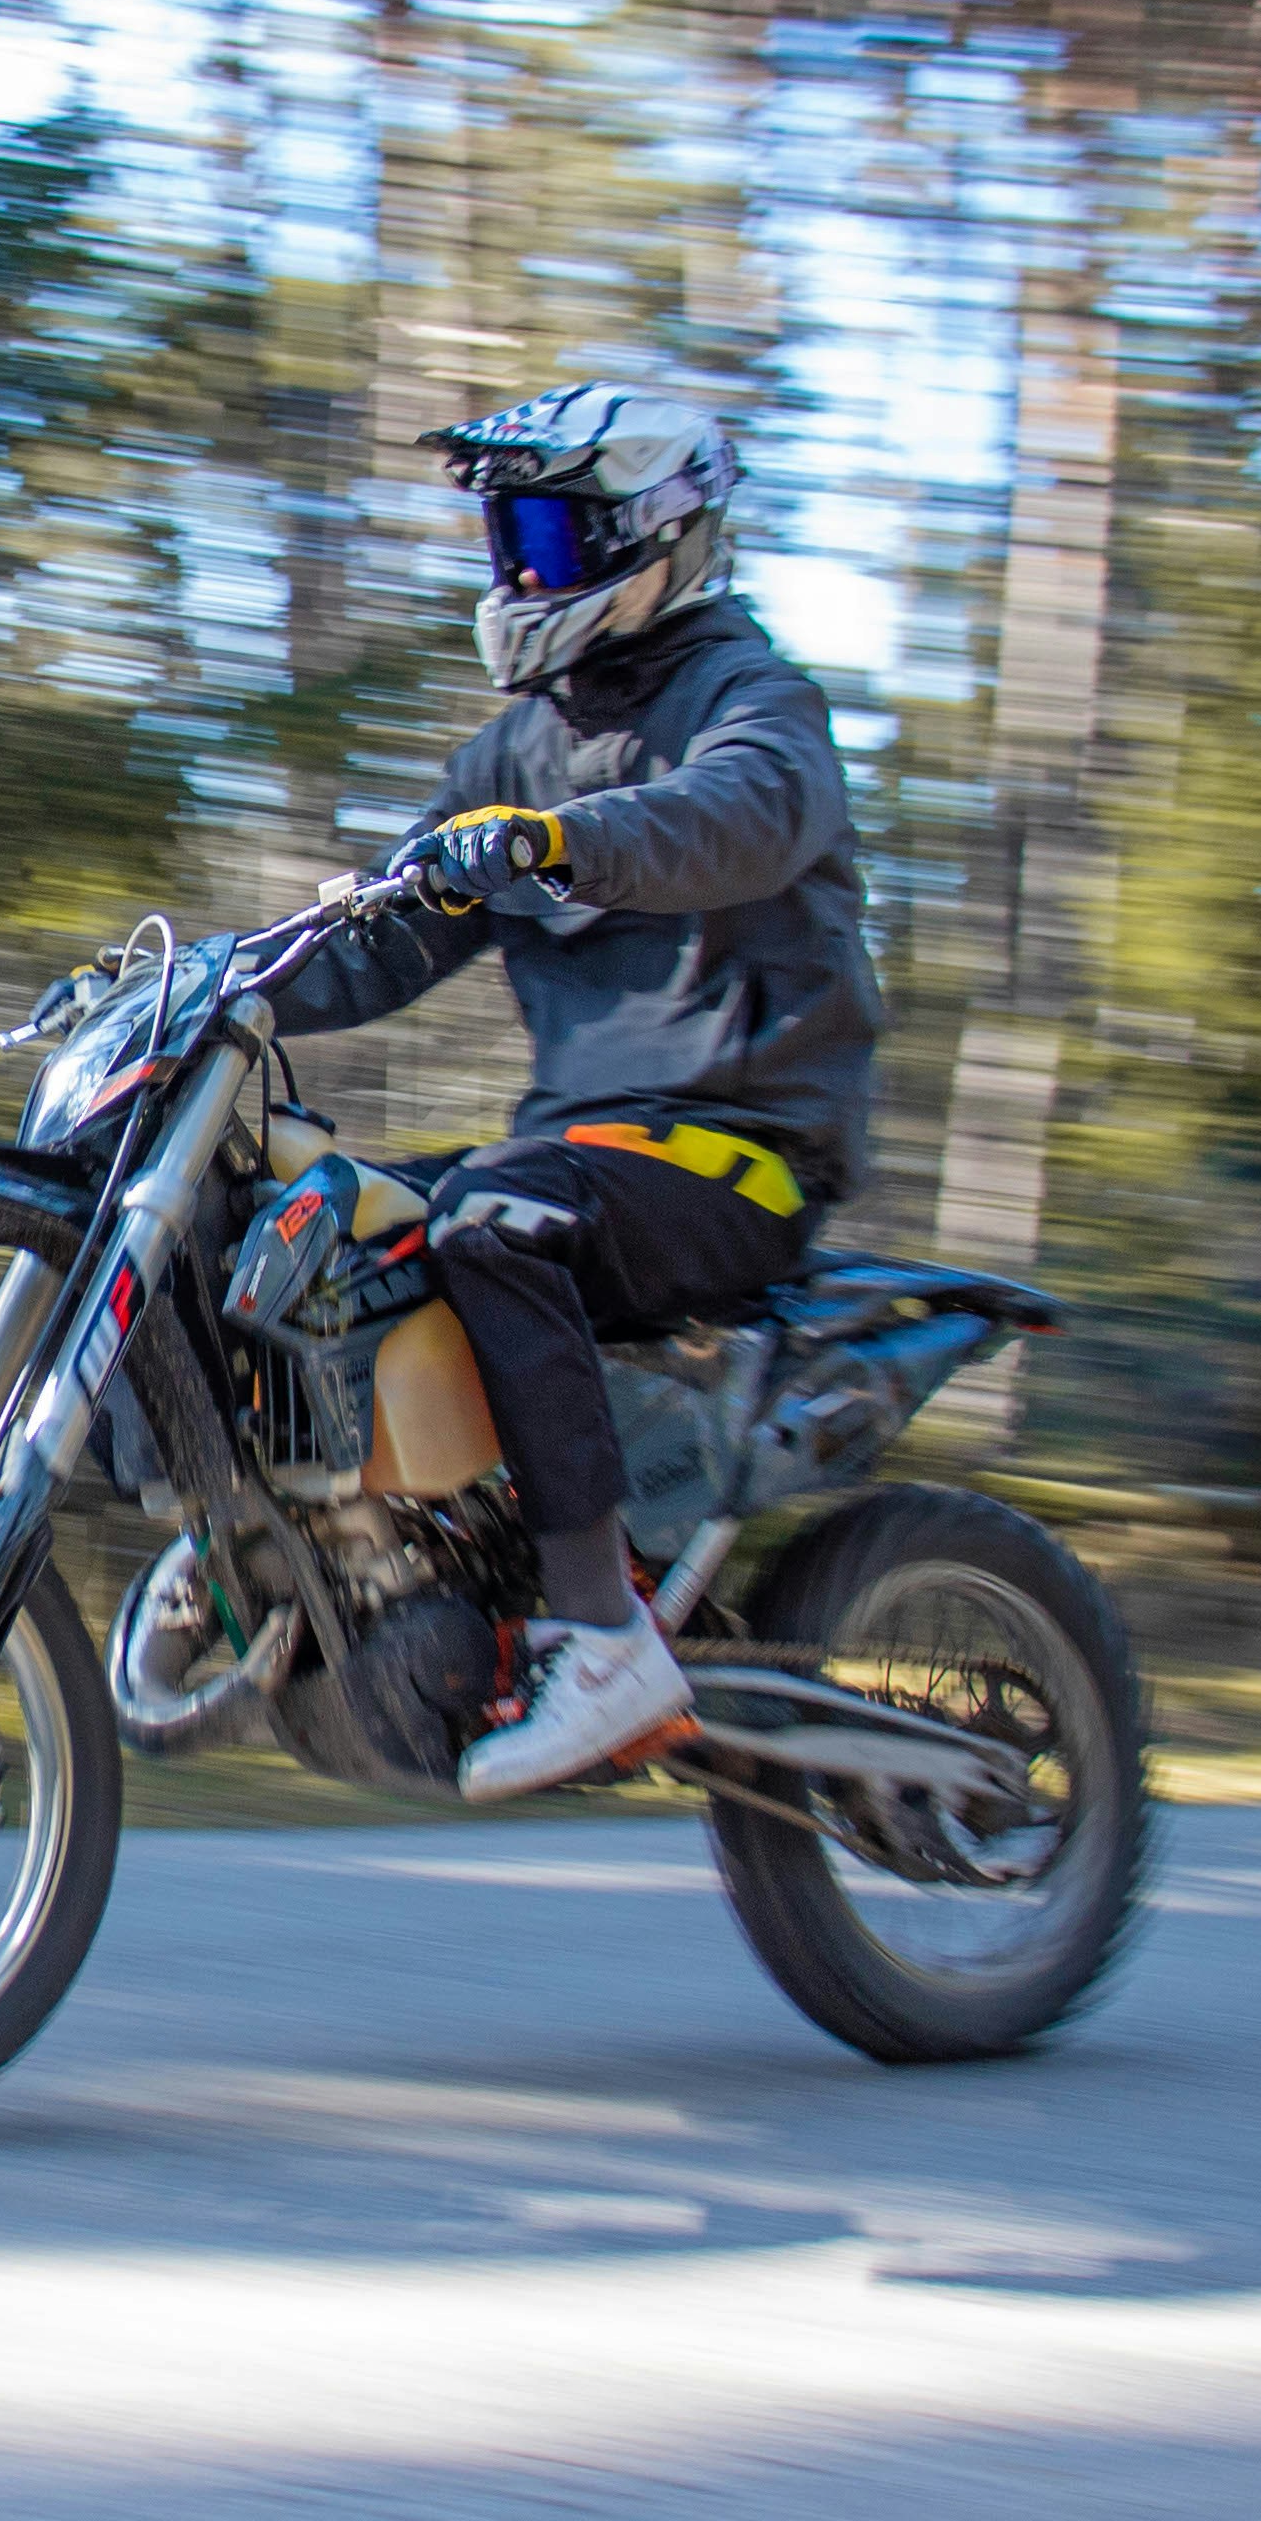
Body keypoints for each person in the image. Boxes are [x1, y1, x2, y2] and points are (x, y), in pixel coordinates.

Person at [257, 382, 885, 1798]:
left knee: (495, 1219)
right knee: (304, 1215)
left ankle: (602, 1634)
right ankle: (284, 1551)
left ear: (656, 538)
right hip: (584, 1150)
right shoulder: (515, 748)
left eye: (549, 533)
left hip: (741, 1151)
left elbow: (737, 815)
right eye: (504, 536)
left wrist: (559, 840)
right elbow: (380, 942)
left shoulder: (753, 700)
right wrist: (212, 989)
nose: (518, 569)